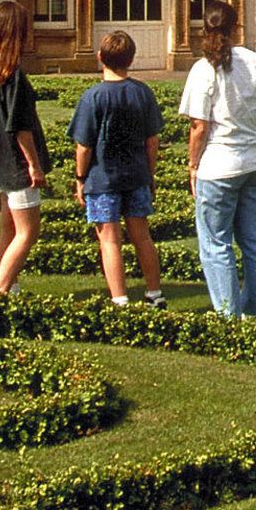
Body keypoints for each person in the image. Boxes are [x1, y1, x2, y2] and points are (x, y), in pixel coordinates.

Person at [178, 0, 256, 318]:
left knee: (215, 242)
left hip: (218, 166)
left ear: (204, 30)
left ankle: (227, 314)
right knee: (252, 237)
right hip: (251, 163)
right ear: (236, 28)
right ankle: (254, 309)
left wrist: (193, 167)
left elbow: (199, 127)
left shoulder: (203, 69)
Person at [70, 30, 167, 308]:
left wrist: (80, 178)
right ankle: (154, 293)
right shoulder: (142, 93)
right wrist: (150, 175)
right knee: (142, 236)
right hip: (136, 175)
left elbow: (84, 146)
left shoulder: (93, 97)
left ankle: (120, 299)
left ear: (100, 58)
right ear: (132, 59)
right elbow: (152, 141)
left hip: (102, 179)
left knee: (109, 241)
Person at [0, 0, 51, 295]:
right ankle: (1, 289)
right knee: (29, 232)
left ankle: (11, 285)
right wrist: (33, 164)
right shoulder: (13, 74)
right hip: (16, 162)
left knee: (9, 227)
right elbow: (20, 126)